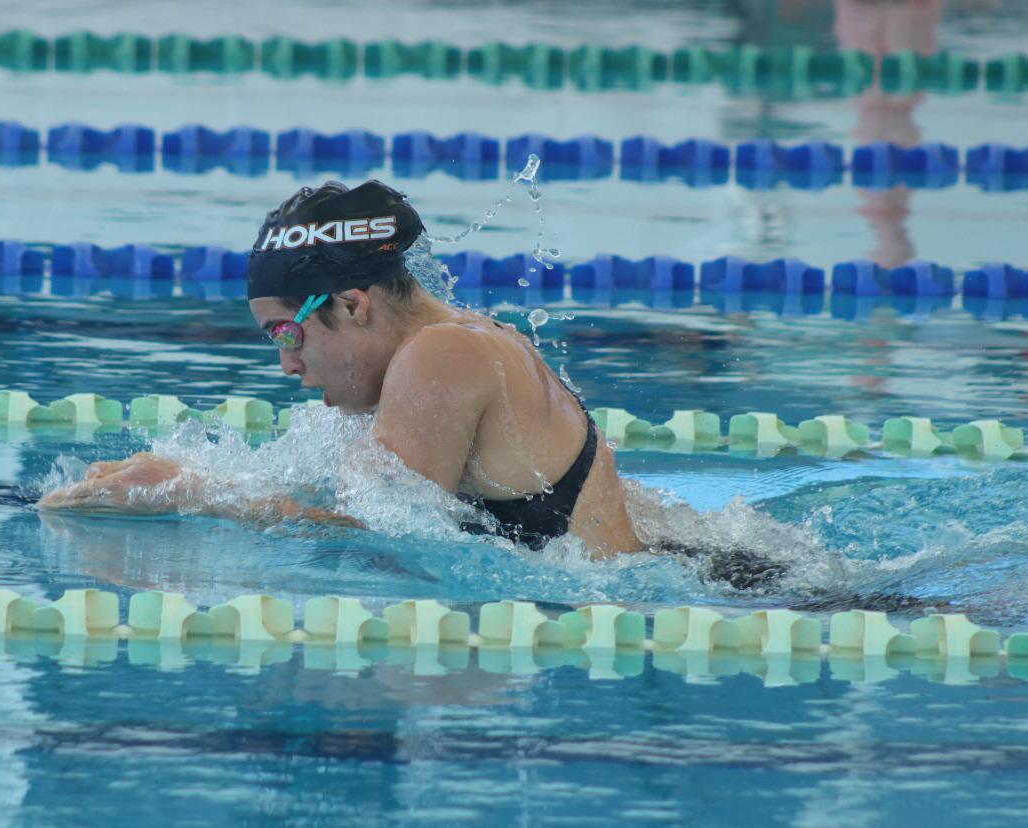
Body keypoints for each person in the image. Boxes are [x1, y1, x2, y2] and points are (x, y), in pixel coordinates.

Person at [40, 179, 643, 558]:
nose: (286, 363)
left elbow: (380, 537)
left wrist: (193, 492)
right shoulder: (464, 340)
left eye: (286, 332)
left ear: (354, 305)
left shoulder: (441, 357)